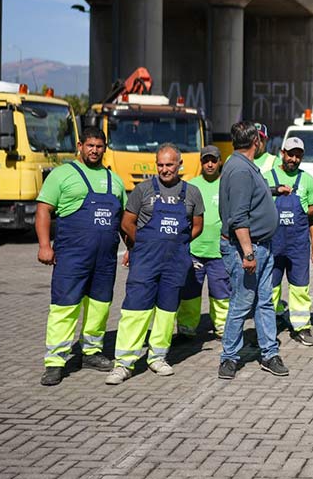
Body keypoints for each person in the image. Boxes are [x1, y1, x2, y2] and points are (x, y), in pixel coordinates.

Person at [107, 143, 205, 384]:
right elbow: (127, 223)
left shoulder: (191, 193)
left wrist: (177, 242)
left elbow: (197, 226)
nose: (164, 169)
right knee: (135, 310)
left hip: (175, 264)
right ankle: (124, 363)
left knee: (166, 312)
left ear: (179, 164)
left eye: (169, 164)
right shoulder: (143, 190)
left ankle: (157, 357)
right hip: (146, 262)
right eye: (160, 164)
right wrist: (144, 244)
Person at [36, 127, 127, 386]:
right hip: (71, 256)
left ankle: (91, 352)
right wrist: (45, 245)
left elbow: (123, 221)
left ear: (105, 148)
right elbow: (44, 210)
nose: (94, 150)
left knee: (100, 305)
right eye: (90, 145)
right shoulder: (62, 174)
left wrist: (131, 247)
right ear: (80, 145)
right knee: (64, 306)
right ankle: (55, 361)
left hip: (105, 259)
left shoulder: (115, 180)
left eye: (99, 146)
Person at [218, 121, 286, 380]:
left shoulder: (242, 166)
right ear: (256, 142)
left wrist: (273, 191)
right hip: (247, 248)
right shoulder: (240, 170)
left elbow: (249, 197)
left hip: (261, 245)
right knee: (242, 302)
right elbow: (238, 217)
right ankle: (229, 358)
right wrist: (247, 254)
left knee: (265, 301)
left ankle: (269, 352)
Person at [265, 136, 313, 345]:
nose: (294, 159)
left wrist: (303, 210)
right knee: (270, 287)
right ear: (283, 153)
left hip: (298, 244)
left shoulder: (307, 180)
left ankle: (302, 327)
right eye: (291, 154)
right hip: (273, 243)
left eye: (298, 156)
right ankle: (267, 327)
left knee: (300, 287)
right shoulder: (268, 177)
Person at [178, 145, 230, 339]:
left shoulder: (227, 184)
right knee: (190, 293)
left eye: (213, 160)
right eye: (206, 160)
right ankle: (186, 329)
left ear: (219, 162)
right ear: (201, 162)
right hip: (194, 250)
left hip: (219, 251)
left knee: (221, 294)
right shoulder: (191, 186)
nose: (210, 164)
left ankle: (223, 330)